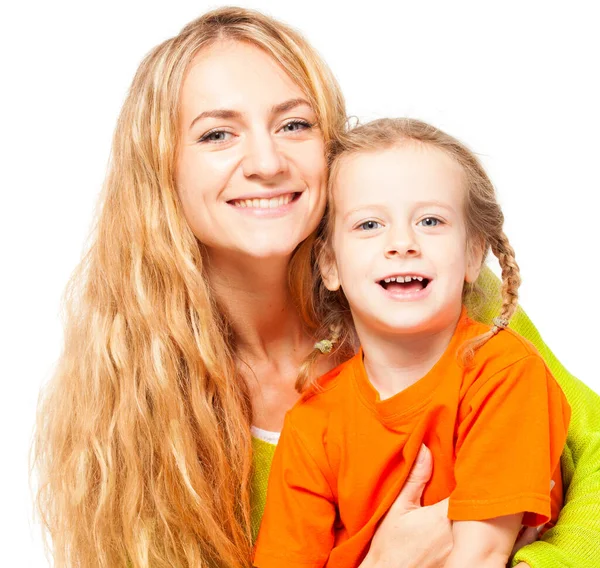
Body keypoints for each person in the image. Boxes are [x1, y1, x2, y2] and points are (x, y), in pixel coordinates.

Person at [32, 7, 600, 568]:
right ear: (162, 170)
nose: (265, 161)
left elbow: (593, 452)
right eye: (217, 133)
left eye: (294, 124)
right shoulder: (131, 415)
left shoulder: (440, 300)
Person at [253, 118, 572, 568]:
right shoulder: (312, 425)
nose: (402, 243)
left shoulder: (503, 372)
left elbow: (479, 557)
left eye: (430, 220)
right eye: (368, 224)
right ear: (330, 266)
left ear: (473, 254)